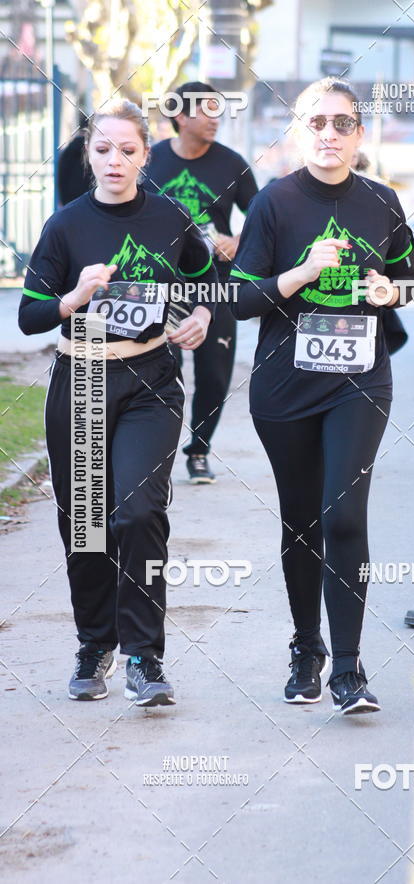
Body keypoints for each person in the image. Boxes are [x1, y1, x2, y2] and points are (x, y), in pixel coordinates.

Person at [229, 77, 414, 716]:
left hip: (359, 381)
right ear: (299, 130)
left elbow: (413, 283)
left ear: (360, 134)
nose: (330, 134)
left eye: (343, 123)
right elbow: (241, 299)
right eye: (317, 122)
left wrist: (387, 292)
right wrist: (305, 272)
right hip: (285, 385)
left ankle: (348, 667)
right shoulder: (275, 205)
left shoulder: (382, 202)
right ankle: (305, 646)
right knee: (302, 519)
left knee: (344, 512)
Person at [18, 99, 216, 706]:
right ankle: (93, 644)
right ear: (89, 155)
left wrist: (202, 313)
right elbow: (29, 317)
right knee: (87, 524)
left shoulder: (169, 218)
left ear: (144, 157)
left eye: (127, 150)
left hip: (151, 378)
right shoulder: (65, 226)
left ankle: (145, 657)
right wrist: (74, 296)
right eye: (102, 149)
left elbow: (207, 279)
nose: (114, 160)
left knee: (137, 512)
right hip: (81, 378)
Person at [144, 81, 259, 483]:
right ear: (180, 116)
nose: (216, 119)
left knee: (213, 372)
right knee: (164, 367)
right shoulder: (150, 161)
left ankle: (199, 450)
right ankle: (159, 450)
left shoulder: (232, 164)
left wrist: (236, 240)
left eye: (218, 111)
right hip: (162, 284)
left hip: (215, 285)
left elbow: (262, 219)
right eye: (207, 111)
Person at [57, 111, 95, 206]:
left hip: (70, 200)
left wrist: (62, 200)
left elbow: (61, 177)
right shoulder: (95, 150)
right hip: (90, 200)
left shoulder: (67, 151)